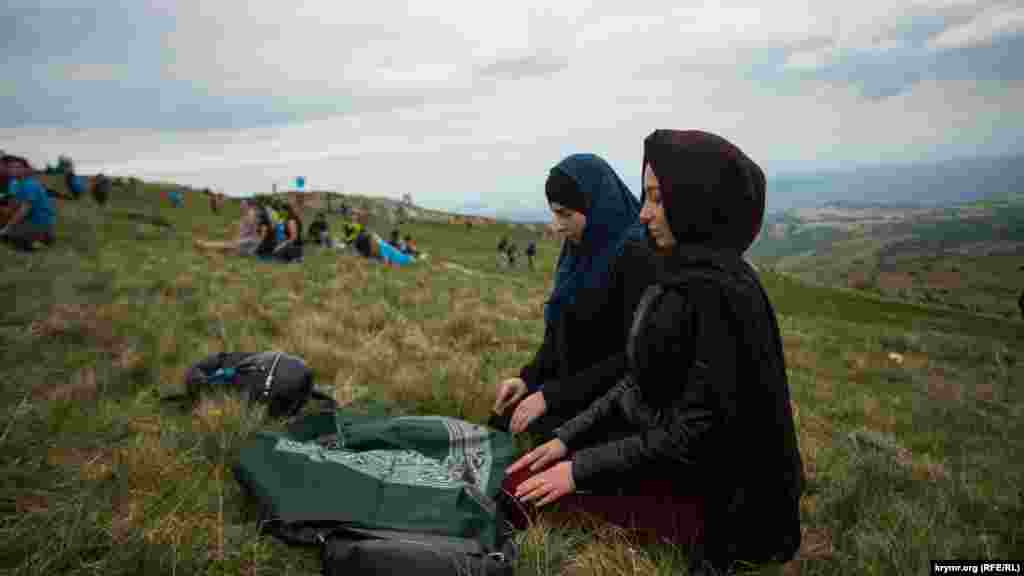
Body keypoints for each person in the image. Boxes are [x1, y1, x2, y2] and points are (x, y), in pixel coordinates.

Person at [504, 130, 804, 575]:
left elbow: (693, 435)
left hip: (723, 506)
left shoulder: (717, 294)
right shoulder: (682, 273)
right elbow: (637, 383)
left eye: (659, 200)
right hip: (671, 462)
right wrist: (568, 439)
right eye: (646, 198)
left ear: (698, 201)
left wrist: (579, 469)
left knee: (520, 499)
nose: (643, 214)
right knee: (522, 483)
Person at [490, 153, 653, 437]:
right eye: (554, 213)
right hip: (568, 387)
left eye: (566, 214)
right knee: (505, 416)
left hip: (611, 401)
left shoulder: (635, 256)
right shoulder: (578, 248)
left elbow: (631, 359)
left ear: (596, 206)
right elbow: (560, 334)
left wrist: (551, 396)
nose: (557, 225)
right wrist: (527, 380)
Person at [0, 156, 56, 251]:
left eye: (18, 167)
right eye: (11, 167)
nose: (13, 170)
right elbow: (12, 207)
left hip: (38, 223)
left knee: (14, 240)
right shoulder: (16, 184)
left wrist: (6, 228)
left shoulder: (30, 185)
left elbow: (23, 211)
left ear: (26, 169)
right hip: (28, 220)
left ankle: (42, 238)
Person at [193, 200, 263, 256]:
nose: (241, 206)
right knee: (227, 249)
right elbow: (239, 232)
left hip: (249, 244)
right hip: (245, 243)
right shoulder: (245, 216)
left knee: (229, 246)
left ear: (248, 206)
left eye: (243, 204)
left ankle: (204, 245)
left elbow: (253, 232)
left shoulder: (251, 214)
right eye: (241, 204)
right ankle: (204, 247)